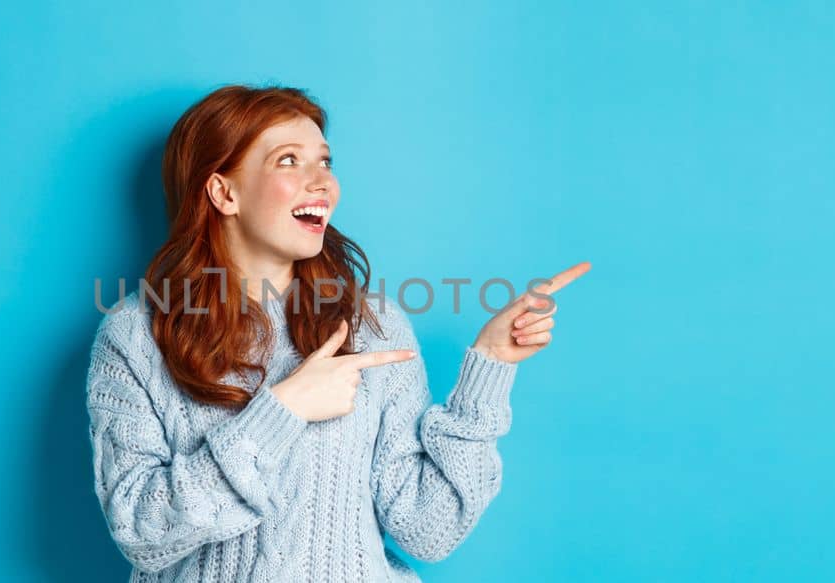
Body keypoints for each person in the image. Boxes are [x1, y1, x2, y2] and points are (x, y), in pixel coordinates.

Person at [85, 84, 590, 582]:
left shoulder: (374, 325)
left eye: (324, 162)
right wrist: (282, 411)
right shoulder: (137, 335)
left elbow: (428, 531)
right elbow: (141, 533)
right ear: (224, 191)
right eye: (288, 160)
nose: (322, 182)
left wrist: (491, 367)